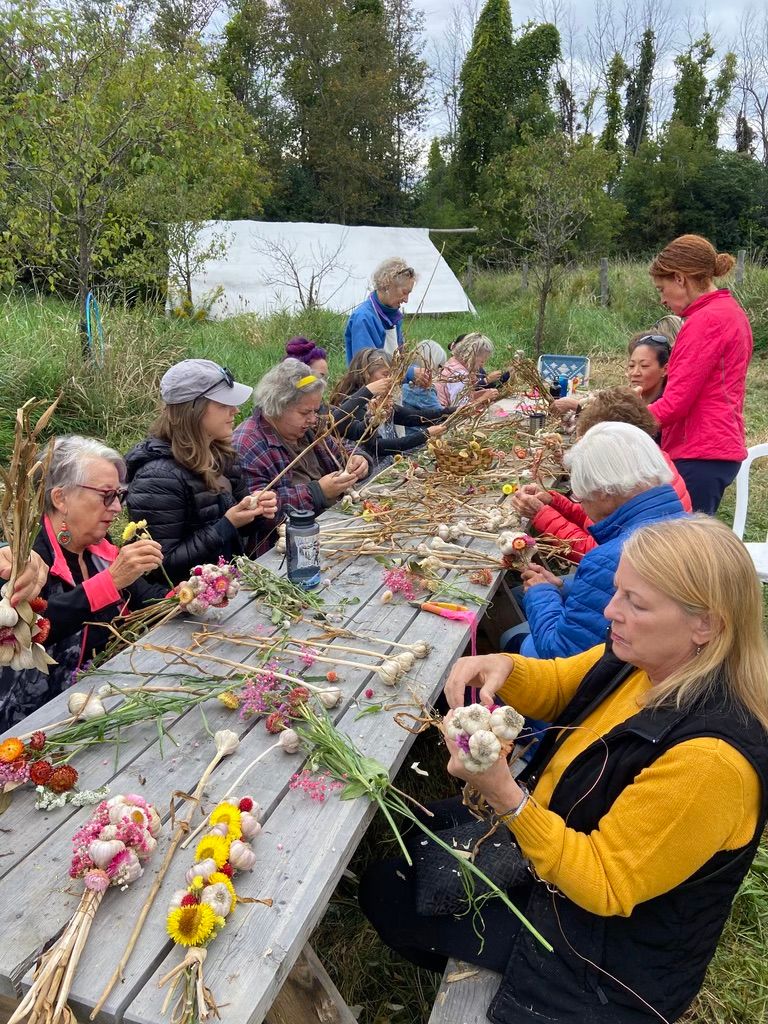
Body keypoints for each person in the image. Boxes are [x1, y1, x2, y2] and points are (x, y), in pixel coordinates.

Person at [361, 516, 768, 1024]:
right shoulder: (647, 658)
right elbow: (564, 686)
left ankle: (488, 970)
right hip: (563, 839)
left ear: (706, 623)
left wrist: (506, 795)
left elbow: (605, 882)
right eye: (618, 591)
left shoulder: (710, 761)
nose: (609, 610)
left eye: (635, 603)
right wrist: (505, 668)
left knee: (388, 890)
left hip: (609, 953)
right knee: (419, 825)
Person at [0, 436, 167, 729]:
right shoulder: (25, 559)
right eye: (106, 495)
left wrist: (188, 595)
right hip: (41, 722)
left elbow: (143, 595)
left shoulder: (97, 547)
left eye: (119, 495)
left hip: (105, 696)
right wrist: (110, 582)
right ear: (61, 498)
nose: (116, 508)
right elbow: (30, 631)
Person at [515, 421, 685, 658]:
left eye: (579, 496)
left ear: (603, 491)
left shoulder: (618, 558)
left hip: (608, 679)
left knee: (515, 641)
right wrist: (561, 587)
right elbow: (598, 595)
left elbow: (559, 652)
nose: (581, 503)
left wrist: (540, 593)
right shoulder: (685, 523)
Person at [125, 360, 278, 584]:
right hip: (185, 606)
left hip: (227, 587)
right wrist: (227, 525)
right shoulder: (157, 477)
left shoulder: (222, 454)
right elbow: (160, 566)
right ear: (193, 410)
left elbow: (240, 532)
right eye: (224, 405)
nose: (235, 410)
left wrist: (256, 512)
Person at [513, 387, 691, 562]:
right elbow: (597, 518)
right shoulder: (646, 469)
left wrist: (541, 515)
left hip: (618, 584)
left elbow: (598, 557)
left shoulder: (633, 486)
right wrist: (555, 503)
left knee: (523, 590)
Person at [648, 233, 752, 514]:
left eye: (662, 288)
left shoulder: (706, 321)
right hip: (712, 449)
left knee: (687, 553)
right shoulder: (727, 312)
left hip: (700, 450)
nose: (662, 300)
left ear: (680, 278)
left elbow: (675, 403)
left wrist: (618, 422)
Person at [233, 358, 369, 516]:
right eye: (305, 413)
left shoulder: (310, 427)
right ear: (277, 407)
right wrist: (317, 492)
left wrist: (358, 458)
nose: (313, 419)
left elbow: (340, 447)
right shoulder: (248, 444)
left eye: (315, 411)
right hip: (289, 536)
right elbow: (258, 510)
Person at [329, 350, 447, 468]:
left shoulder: (379, 400)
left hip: (387, 465)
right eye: (385, 375)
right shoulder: (354, 405)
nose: (391, 380)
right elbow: (378, 446)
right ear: (366, 374)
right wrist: (425, 434)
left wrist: (449, 412)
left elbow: (411, 417)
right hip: (370, 473)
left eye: (392, 375)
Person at [344, 258, 425, 388]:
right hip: (367, 394)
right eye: (404, 292)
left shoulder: (393, 316)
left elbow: (400, 358)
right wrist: (410, 373)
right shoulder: (363, 318)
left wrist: (416, 369)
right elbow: (369, 368)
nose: (406, 300)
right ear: (387, 286)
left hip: (389, 388)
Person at [435, 332, 495, 408]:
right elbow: (458, 409)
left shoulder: (453, 362)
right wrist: (483, 399)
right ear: (472, 357)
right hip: (443, 415)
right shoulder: (459, 374)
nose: (482, 365)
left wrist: (477, 394)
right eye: (482, 361)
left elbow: (460, 396)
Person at [626, 332, 671, 404]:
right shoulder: (622, 404)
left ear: (665, 370)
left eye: (644, 366)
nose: (635, 373)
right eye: (631, 365)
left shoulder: (671, 407)